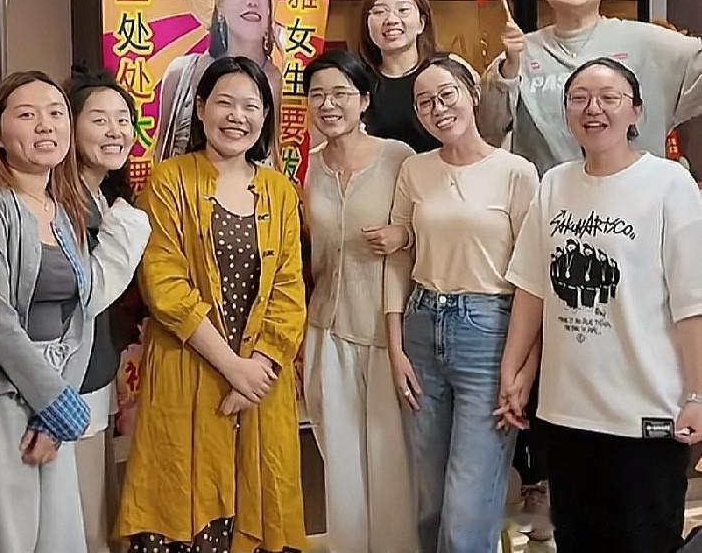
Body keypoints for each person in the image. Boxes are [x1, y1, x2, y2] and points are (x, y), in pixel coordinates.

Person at [0, 71, 150, 553]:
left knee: (57, 540)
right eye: (27, 115)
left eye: (55, 113)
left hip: (50, 402)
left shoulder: (62, 205)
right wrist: (55, 404)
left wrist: (57, 408)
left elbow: (81, 314)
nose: (45, 125)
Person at [499, 57, 702, 553]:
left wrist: (698, 395)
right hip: (566, 412)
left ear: (635, 111)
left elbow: (691, 304)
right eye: (580, 98)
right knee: (577, 540)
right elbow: (532, 287)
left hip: (645, 415)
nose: (594, 109)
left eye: (609, 98)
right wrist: (513, 369)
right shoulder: (555, 183)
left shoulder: (668, 183)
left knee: (644, 541)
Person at [116, 56, 306, 553]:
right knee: (184, 500)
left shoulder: (280, 191)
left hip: (262, 383)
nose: (236, 116)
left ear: (265, 116)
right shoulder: (167, 181)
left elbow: (289, 291)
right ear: (200, 108)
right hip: (189, 369)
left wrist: (258, 369)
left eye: (251, 106)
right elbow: (164, 286)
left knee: (261, 498)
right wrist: (233, 368)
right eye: (225, 103)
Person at [388, 54, 539, 553]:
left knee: (466, 510)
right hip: (422, 326)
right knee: (430, 502)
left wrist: (524, 366)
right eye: (424, 102)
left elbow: (533, 279)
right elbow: (400, 256)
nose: (437, 108)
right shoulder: (414, 170)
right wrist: (396, 348)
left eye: (446, 94)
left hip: (489, 333)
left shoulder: (515, 172)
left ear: (472, 93)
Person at [301, 49, 418, 553]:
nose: (328, 105)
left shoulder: (398, 158)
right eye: (317, 95)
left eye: (341, 93)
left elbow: (425, 228)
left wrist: (404, 234)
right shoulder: (308, 167)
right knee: (340, 462)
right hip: (325, 328)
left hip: (386, 331)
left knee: (392, 465)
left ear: (364, 100)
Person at [480, 0, 702, 176]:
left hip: (637, 193)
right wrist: (509, 69)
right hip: (552, 196)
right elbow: (488, 129)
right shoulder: (521, 51)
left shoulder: (649, 41)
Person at [67, 67, 143, 553]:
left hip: (98, 378)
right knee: (83, 523)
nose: (115, 131)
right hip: (69, 386)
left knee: (100, 513)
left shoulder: (103, 196)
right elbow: (87, 295)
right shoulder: (60, 201)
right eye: (99, 119)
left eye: (123, 119)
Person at [156, 0, 282, 161]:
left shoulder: (273, 79)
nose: (252, 1)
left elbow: (272, 155)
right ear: (220, 3)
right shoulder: (181, 72)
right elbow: (161, 150)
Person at [358, 0, 439, 152]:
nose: (391, 20)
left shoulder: (445, 73)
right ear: (366, 25)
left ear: (421, 23)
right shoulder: (357, 83)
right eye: (379, 12)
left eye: (403, 10)